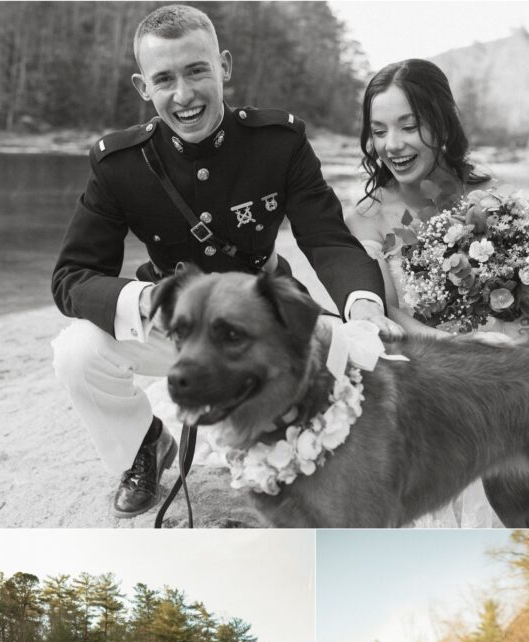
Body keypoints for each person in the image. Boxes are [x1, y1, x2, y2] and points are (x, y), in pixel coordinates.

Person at [51, 4, 398, 519]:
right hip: (173, 323)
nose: (184, 95)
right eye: (164, 79)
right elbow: (72, 277)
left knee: (355, 368)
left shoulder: (279, 143)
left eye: (197, 70)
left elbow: (326, 239)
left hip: (263, 317)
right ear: (143, 88)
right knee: (77, 352)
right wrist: (144, 300)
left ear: (225, 67)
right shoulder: (118, 165)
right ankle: (144, 447)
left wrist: (363, 305)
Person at [346, 60, 529, 527]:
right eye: (378, 131)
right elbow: (382, 311)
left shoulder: (493, 200)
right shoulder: (367, 216)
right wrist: (453, 348)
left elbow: (520, 295)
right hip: (419, 368)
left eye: (408, 126)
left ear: (440, 121)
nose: (391, 145)